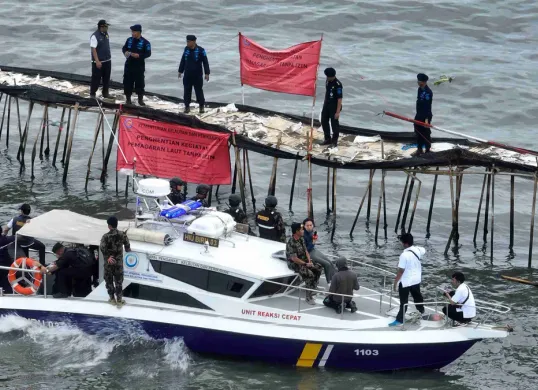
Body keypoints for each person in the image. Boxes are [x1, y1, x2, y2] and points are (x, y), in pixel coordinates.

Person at [389, 233, 426, 327]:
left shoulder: (404, 255)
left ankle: (400, 319)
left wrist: (395, 282)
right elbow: (423, 250)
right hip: (416, 279)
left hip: (406, 281)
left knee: (403, 301)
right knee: (417, 296)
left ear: (405, 243)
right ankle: (421, 310)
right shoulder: (418, 250)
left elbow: (401, 271)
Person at [286, 222, 323, 305]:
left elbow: (306, 251)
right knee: (309, 274)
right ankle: (308, 297)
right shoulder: (291, 243)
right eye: (301, 229)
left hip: (304, 260)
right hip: (295, 264)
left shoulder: (301, 239)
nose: (303, 231)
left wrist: (309, 261)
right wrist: (306, 264)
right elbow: (294, 259)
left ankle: (313, 286)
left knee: (319, 267)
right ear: (296, 231)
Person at [99, 216, 131, 305]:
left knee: (109, 281)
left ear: (109, 226)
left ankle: (112, 299)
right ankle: (119, 300)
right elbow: (128, 247)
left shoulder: (105, 236)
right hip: (118, 263)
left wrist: (108, 256)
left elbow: (102, 248)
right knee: (119, 281)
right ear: (116, 224)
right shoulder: (123, 235)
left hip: (109, 263)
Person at [178, 35, 210, 114]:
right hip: (187, 75)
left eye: (189, 42)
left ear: (194, 41)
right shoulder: (186, 49)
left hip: (197, 75)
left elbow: (205, 62)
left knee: (199, 91)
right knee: (187, 91)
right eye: (187, 41)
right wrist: (180, 71)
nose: (187, 43)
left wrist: (207, 73)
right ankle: (187, 107)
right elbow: (183, 60)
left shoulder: (201, 50)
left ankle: (201, 107)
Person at [122, 24, 151, 106]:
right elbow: (124, 48)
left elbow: (148, 53)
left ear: (138, 32)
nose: (132, 33)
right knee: (127, 83)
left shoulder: (146, 42)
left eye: (134, 32)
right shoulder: (129, 40)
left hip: (139, 67)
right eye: (132, 32)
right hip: (129, 65)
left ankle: (140, 100)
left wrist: (139, 56)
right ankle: (128, 100)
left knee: (140, 83)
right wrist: (125, 52)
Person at [303, 218, 336, 284]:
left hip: (313, 250)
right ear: (304, 226)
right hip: (308, 253)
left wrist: (314, 240)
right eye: (307, 225)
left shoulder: (311, 232)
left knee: (330, 262)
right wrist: (313, 242)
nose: (309, 227)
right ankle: (329, 283)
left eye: (311, 225)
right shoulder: (303, 235)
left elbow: (312, 244)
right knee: (327, 264)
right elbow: (305, 250)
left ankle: (335, 280)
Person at [321, 67, 343, 147]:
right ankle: (327, 139)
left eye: (328, 76)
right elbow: (327, 93)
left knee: (334, 124)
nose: (327, 78)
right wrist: (324, 104)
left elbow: (339, 99)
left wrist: (337, 112)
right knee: (324, 121)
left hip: (334, 106)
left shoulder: (338, 85)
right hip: (327, 104)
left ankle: (334, 141)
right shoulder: (327, 81)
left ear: (332, 76)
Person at [90, 19, 112, 99]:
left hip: (107, 60)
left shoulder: (106, 34)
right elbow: (93, 49)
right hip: (99, 61)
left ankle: (105, 93)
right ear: (101, 27)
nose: (107, 28)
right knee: (96, 78)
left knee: (106, 78)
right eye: (106, 27)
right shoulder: (95, 36)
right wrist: (97, 61)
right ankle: (92, 93)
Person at [413, 73, 433, 156]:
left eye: (420, 81)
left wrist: (427, 120)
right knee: (417, 130)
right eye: (418, 81)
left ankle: (427, 149)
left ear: (424, 82)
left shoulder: (428, 92)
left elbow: (428, 106)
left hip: (426, 115)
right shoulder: (419, 89)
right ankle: (419, 149)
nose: (418, 83)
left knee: (426, 132)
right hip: (419, 114)